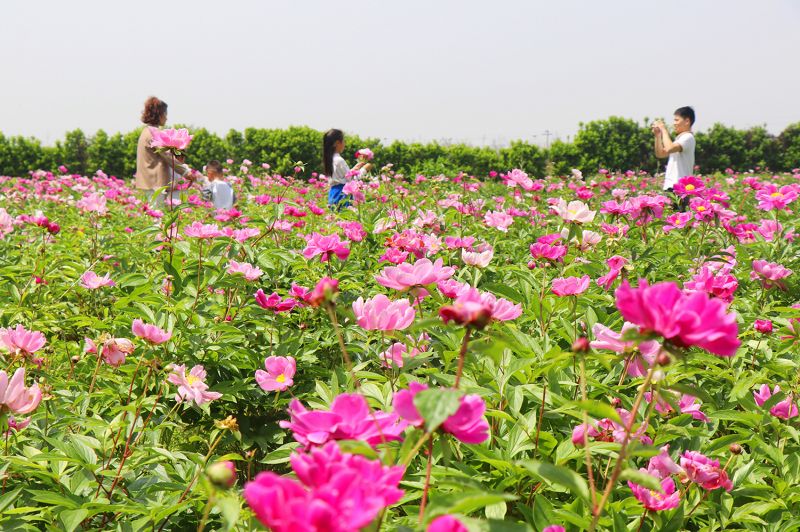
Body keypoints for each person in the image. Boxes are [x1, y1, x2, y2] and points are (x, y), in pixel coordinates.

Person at [135, 96, 192, 204]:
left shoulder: (146, 131)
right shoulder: (154, 132)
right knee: (157, 213)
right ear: (158, 114)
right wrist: (185, 172)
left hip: (150, 180)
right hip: (155, 181)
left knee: (156, 212)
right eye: (165, 114)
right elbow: (167, 155)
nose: (166, 118)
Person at [323, 129, 371, 207]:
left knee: (336, 217)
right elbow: (351, 180)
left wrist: (354, 169)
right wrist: (365, 169)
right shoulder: (339, 160)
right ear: (337, 143)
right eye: (343, 141)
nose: (344, 144)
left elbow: (343, 176)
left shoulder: (330, 159)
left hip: (333, 193)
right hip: (342, 194)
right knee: (344, 217)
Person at [653, 106, 696, 194]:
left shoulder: (688, 137)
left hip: (680, 188)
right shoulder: (679, 139)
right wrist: (658, 136)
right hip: (670, 186)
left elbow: (669, 148)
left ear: (687, 121)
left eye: (676, 120)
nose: (674, 123)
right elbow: (660, 154)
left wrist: (664, 130)